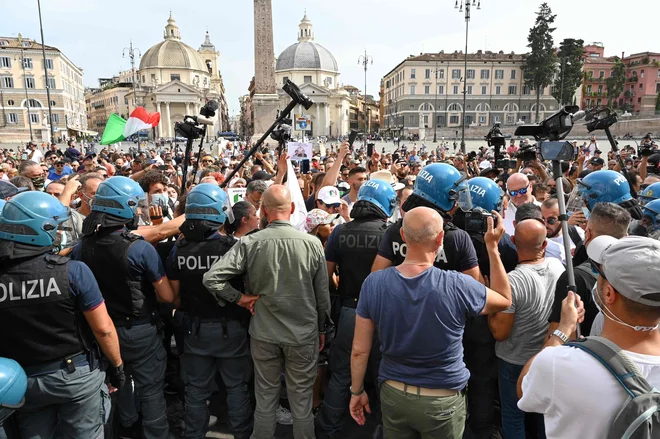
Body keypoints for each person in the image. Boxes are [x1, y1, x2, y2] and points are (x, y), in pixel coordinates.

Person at [349, 207, 512, 439]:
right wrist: (492, 248)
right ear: (440, 238)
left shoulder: (373, 283)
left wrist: (356, 391)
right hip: (441, 399)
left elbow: (359, 351)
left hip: (394, 392)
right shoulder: (457, 285)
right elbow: (504, 300)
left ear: (403, 236)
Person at [203, 185, 330, 439]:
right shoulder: (312, 243)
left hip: (264, 333)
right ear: (292, 209)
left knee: (265, 400)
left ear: (263, 210)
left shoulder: (250, 242)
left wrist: (239, 299)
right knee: (302, 404)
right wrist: (323, 328)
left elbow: (212, 278)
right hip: (302, 334)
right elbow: (322, 296)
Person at [0, 191, 124, 438]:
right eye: (54, 227)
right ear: (39, 229)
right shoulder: (73, 272)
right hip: (74, 375)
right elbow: (103, 329)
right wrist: (117, 366)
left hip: (23, 381)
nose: (59, 233)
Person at [517, 235, 660, 439]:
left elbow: (524, 389)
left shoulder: (560, 363)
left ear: (609, 293)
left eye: (599, 273)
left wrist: (562, 331)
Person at [75, 176, 175, 439]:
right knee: (151, 389)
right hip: (140, 329)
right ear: (126, 207)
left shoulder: (81, 247)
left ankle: (126, 426)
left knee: (117, 384)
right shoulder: (139, 248)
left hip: (101, 331)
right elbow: (165, 296)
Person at [165, 184, 252, 439]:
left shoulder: (177, 250)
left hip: (194, 328)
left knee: (195, 391)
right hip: (232, 327)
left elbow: (175, 297)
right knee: (237, 387)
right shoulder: (232, 247)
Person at [316, 179, 396, 439]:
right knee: (385, 375)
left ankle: (328, 428)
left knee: (341, 373)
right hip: (384, 314)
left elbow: (326, 276)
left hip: (350, 310)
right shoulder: (391, 232)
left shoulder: (340, 232)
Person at [488, 218, 565, 439]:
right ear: (544, 245)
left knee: (513, 415)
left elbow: (500, 333)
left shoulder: (512, 282)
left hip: (513, 361)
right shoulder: (558, 267)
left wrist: (490, 306)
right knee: (544, 414)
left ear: (512, 241)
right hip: (547, 358)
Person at [371, 163, 480, 281]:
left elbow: (376, 275)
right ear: (444, 196)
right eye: (455, 196)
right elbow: (474, 286)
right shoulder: (458, 237)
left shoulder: (397, 229)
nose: (457, 203)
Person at [547, 202, 631, 339]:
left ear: (588, 234)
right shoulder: (635, 274)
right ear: (626, 236)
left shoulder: (573, 279)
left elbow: (560, 337)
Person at [540, 198, 584, 265]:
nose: (546, 224)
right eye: (542, 219)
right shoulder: (538, 241)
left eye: (551, 220)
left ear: (562, 218)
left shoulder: (576, 232)